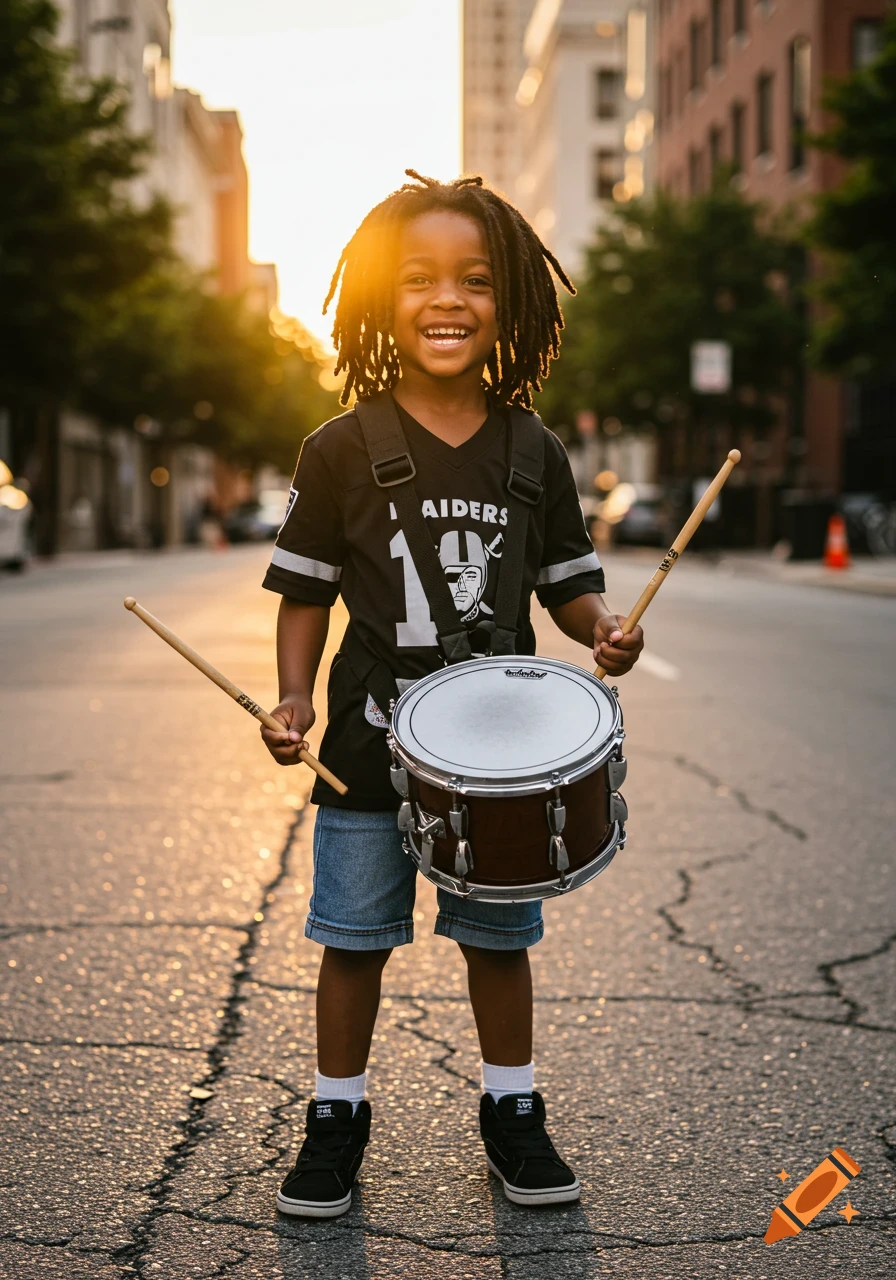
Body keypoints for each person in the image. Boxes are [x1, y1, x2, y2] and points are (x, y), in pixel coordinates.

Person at [260, 171, 644, 1218]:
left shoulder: (534, 449)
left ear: (509, 303)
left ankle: (509, 1106)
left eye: (475, 279)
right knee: (351, 936)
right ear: (382, 301)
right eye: (419, 277)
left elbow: (567, 582)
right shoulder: (338, 447)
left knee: (496, 939)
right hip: (364, 738)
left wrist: (602, 629)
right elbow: (304, 594)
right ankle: (336, 1112)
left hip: (499, 751)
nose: (447, 298)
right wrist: (292, 698)